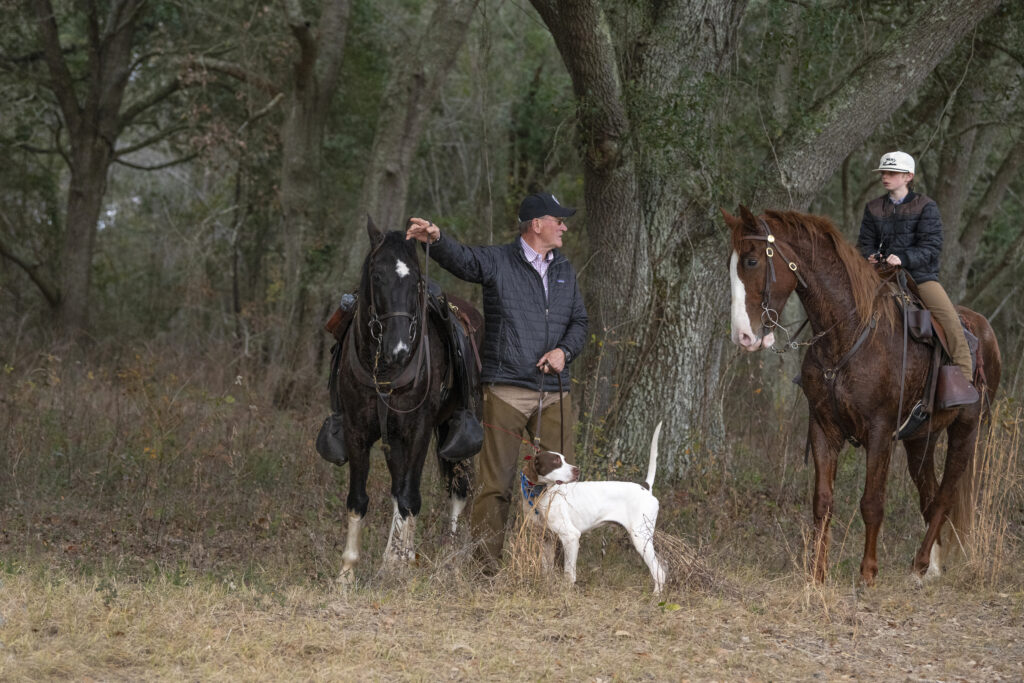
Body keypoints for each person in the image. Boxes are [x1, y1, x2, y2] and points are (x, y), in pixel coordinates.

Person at [406, 192, 588, 573]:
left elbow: (580, 324)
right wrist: (437, 240)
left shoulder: (564, 269)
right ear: (537, 224)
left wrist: (564, 353)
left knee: (563, 486)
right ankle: (484, 572)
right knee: (495, 486)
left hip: (555, 394)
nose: (564, 227)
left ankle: (555, 572)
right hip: (506, 390)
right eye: (559, 220)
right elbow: (464, 260)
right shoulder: (498, 261)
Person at [857, 150, 978, 409]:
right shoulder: (873, 208)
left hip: (919, 277)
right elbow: (863, 243)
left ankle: (964, 379)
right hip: (879, 277)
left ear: (908, 177)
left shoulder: (926, 206)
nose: (885, 177)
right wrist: (868, 256)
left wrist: (903, 258)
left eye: (891, 173)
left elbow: (931, 247)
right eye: (883, 173)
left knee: (949, 319)